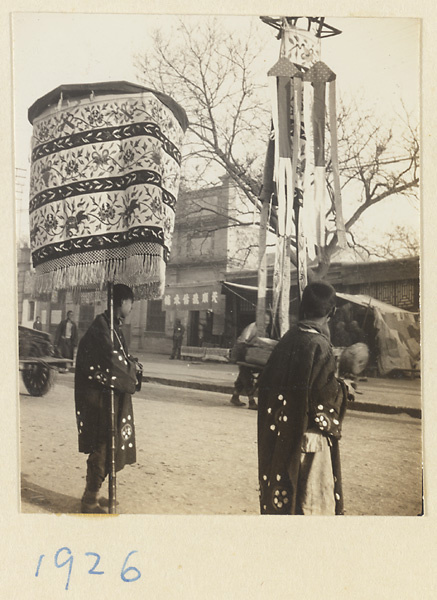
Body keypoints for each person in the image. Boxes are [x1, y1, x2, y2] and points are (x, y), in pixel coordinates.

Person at [257, 282, 353, 516]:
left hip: (283, 440)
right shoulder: (320, 345)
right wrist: (343, 388)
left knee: (287, 504)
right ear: (331, 313)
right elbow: (323, 401)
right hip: (311, 443)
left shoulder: (287, 340)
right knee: (312, 506)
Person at [74, 284, 141, 514]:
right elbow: (111, 362)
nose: (131, 307)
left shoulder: (112, 327)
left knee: (111, 444)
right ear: (122, 302)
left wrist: (132, 363)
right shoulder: (101, 328)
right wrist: (132, 369)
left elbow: (119, 356)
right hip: (97, 398)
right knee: (103, 444)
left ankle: (95, 492)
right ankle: (89, 499)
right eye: (130, 302)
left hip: (107, 395)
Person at [230, 314, 272, 410]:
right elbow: (244, 342)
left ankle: (235, 397)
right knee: (246, 374)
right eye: (265, 321)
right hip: (242, 351)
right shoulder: (252, 327)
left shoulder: (263, 330)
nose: (267, 323)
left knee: (244, 374)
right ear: (260, 320)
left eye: (268, 322)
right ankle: (251, 401)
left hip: (252, 353)